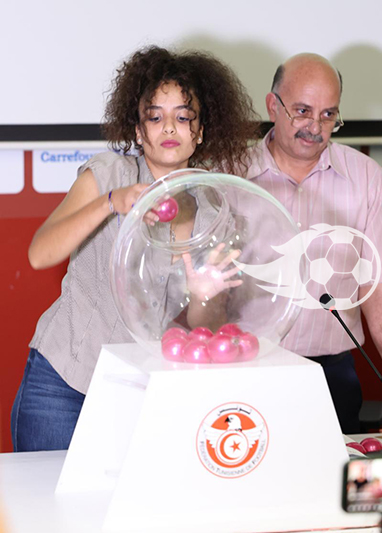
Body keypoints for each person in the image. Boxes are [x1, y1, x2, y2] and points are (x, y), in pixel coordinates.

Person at [12, 46, 258, 452]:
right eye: (155, 117)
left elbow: (204, 324)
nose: (169, 128)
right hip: (63, 382)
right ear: (139, 131)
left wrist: (204, 296)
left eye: (183, 117)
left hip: (140, 390)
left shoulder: (215, 211)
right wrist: (112, 202)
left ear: (199, 131)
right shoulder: (109, 174)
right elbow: (40, 254)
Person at [245, 53, 382, 434]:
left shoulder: (365, 177)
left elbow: (379, 287)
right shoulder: (229, 171)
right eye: (302, 111)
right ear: (273, 105)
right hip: (244, 369)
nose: (315, 127)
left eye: (328, 115)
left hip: (331, 376)